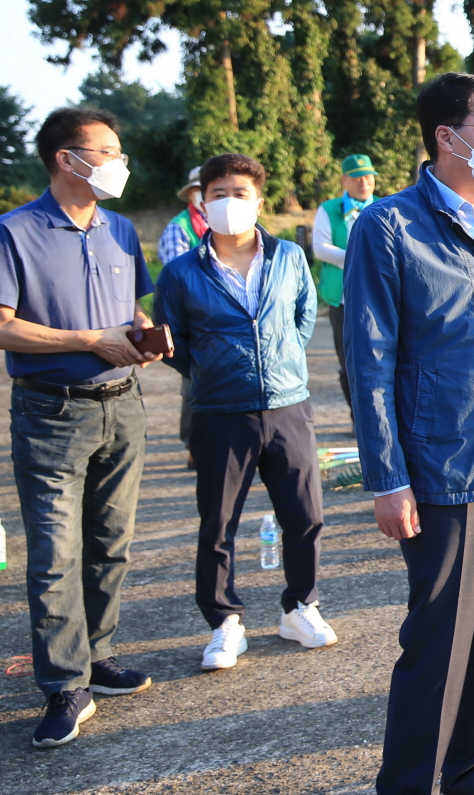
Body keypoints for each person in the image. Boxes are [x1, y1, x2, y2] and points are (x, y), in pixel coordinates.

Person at [343, 71, 474, 795]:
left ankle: (473, 771)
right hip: (442, 465)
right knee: (438, 643)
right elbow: (368, 360)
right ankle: (409, 784)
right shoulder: (389, 226)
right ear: (447, 136)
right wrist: (388, 476)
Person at [0, 107, 159, 748]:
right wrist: (88, 339)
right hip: (51, 410)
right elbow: (3, 324)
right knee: (54, 554)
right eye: (109, 151)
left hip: (123, 405)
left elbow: (134, 312)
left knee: (111, 542)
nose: (120, 162)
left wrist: (147, 341)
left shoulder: (120, 230)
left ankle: (97, 657)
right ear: (69, 159)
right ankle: (64, 684)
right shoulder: (15, 231)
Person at [153, 153, 335, 671]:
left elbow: (302, 319)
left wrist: (281, 367)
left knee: (305, 516)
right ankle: (224, 622)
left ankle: (302, 607)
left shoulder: (289, 258)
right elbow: (176, 345)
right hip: (219, 410)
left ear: (259, 201)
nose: (229, 202)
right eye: (218, 194)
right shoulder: (181, 273)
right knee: (218, 522)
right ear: (201, 201)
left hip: (287, 406)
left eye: (240, 193)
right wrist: (217, 371)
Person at [313, 154, 378, 408]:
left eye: (368, 176)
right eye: (357, 177)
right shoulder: (328, 209)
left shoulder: (385, 206)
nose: (364, 182)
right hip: (341, 297)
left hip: (377, 295)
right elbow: (320, 248)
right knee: (348, 360)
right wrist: (355, 255)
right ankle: (356, 416)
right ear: (344, 180)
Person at [157, 165, 207, 457]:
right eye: (201, 189)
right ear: (192, 194)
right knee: (193, 384)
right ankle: (193, 445)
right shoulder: (180, 227)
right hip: (191, 317)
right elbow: (177, 276)